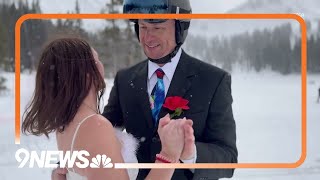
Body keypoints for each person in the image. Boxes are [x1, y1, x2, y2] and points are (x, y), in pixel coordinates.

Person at [22, 37, 193, 180]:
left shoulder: (66, 123)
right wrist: (169, 155)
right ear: (85, 74)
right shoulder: (94, 126)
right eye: (97, 60)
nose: (101, 66)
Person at [102, 0, 238, 179]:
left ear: (180, 28)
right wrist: (70, 161)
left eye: (158, 29)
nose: (148, 38)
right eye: (143, 28)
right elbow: (102, 133)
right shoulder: (124, 79)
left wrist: (191, 154)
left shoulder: (213, 80)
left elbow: (228, 159)